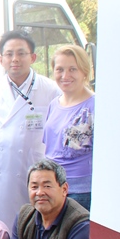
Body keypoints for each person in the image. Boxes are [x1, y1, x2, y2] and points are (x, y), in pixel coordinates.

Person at [0, 30, 61, 221]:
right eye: (9, 54)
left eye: (21, 53)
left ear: (33, 57)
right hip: (0, 173)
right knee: (1, 230)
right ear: (1, 59)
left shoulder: (50, 90)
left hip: (33, 172)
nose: (15, 59)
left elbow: (55, 136)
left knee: (33, 229)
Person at [43, 45, 94, 211]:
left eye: (73, 69)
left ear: (84, 72)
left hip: (80, 192)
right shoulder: (54, 104)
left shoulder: (95, 106)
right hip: (52, 188)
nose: (65, 76)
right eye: (60, 69)